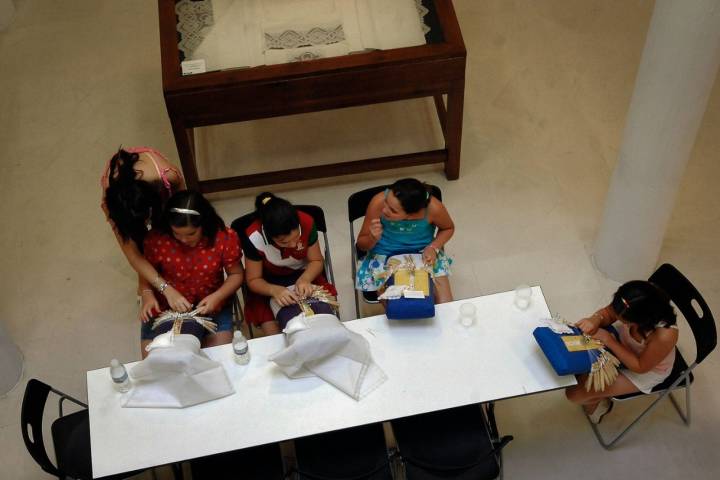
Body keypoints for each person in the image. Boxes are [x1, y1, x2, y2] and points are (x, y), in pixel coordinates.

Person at [140, 190, 244, 356]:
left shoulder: (224, 237)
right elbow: (146, 271)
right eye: (177, 234)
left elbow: (236, 275)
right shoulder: (157, 239)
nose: (184, 240)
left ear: (204, 224)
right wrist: (147, 294)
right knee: (157, 360)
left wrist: (217, 297)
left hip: (211, 304)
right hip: (166, 306)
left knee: (217, 359)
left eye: (191, 233)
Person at [565, 281, 679, 424]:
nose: (618, 320)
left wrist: (609, 340)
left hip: (645, 369)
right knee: (572, 365)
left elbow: (640, 367)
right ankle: (597, 394)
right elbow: (607, 313)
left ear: (642, 321)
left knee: (574, 394)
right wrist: (595, 319)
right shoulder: (630, 300)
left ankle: (599, 404)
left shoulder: (665, 336)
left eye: (624, 321)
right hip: (621, 342)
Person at [101, 147, 193, 313]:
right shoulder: (112, 204)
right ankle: (145, 282)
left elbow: (186, 210)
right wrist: (163, 288)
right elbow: (133, 254)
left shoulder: (168, 177)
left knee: (170, 229)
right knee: (141, 243)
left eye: (147, 217)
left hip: (158, 190)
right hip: (126, 202)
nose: (147, 222)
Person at [242, 192, 337, 336]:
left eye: (296, 237)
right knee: (277, 333)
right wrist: (274, 290)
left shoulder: (306, 222)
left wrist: (305, 279)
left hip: (303, 273)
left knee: (324, 319)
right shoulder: (254, 237)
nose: (293, 244)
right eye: (284, 242)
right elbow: (253, 279)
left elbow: (316, 261)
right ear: (268, 235)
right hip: (268, 281)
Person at [355, 178, 455, 303]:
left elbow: (448, 228)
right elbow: (361, 244)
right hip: (384, 256)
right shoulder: (378, 202)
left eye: (393, 210)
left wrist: (433, 247)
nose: (384, 209)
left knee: (444, 304)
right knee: (398, 308)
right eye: (386, 202)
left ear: (412, 215)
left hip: (423, 253)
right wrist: (372, 238)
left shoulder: (433, 208)